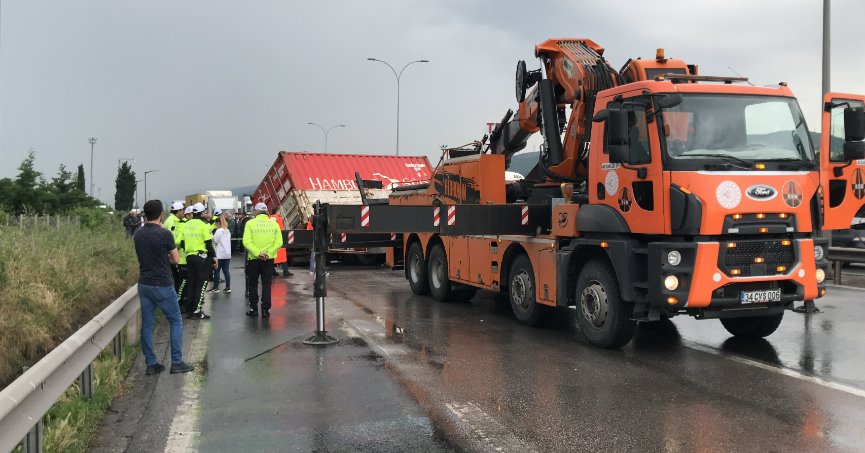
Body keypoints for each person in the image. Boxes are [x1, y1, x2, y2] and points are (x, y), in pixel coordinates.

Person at [132, 200, 194, 375]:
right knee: (175, 320)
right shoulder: (165, 234)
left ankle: (151, 363)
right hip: (163, 284)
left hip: (144, 284)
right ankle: (176, 361)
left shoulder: (138, 234)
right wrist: (164, 258)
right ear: (161, 214)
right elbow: (175, 259)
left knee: (147, 325)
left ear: (145, 213)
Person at [243, 202, 283, 318]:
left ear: (256, 211)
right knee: (266, 284)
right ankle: (265, 310)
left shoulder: (250, 223)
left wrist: (257, 253)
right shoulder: (274, 224)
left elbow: (246, 242)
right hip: (268, 259)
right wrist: (268, 253)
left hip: (254, 259)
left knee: (253, 284)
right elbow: (279, 242)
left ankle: (253, 309)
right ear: (266, 211)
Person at [179, 203, 215, 320]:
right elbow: (209, 244)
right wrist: (213, 257)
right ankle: (197, 310)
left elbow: (182, 243)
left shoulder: (186, 224)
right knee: (201, 284)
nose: (205, 214)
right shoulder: (203, 225)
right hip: (201, 257)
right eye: (204, 212)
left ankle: (189, 311)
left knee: (191, 284)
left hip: (189, 257)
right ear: (201, 213)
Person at [163, 201, 185, 296]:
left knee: (177, 279)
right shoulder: (172, 221)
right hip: (172, 255)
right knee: (177, 279)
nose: (183, 213)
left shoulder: (172, 219)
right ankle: (177, 299)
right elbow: (173, 240)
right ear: (178, 211)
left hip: (172, 254)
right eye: (182, 211)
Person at [210, 216, 232, 294]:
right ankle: (228, 287)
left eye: (216, 223)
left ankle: (216, 288)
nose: (215, 225)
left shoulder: (219, 230)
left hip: (220, 254)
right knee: (226, 271)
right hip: (227, 254)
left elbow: (215, 241)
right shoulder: (227, 230)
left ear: (218, 223)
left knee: (216, 271)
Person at [269, 207, 292, 277]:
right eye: (279, 211)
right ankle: (285, 271)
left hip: (271, 241)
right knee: (282, 256)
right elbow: (281, 230)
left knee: (272, 256)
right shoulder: (278, 219)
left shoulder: (269, 218)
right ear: (276, 212)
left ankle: (273, 272)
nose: (280, 213)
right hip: (278, 241)